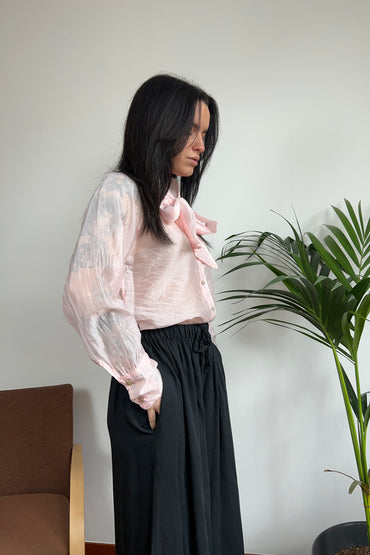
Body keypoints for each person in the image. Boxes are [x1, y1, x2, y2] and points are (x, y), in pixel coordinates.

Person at [63, 74, 244, 555]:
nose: (200, 144)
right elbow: (88, 291)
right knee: (162, 520)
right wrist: (147, 381)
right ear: (159, 125)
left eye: (205, 133)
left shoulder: (173, 201)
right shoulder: (121, 190)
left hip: (198, 365)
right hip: (161, 366)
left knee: (205, 508)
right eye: (191, 130)